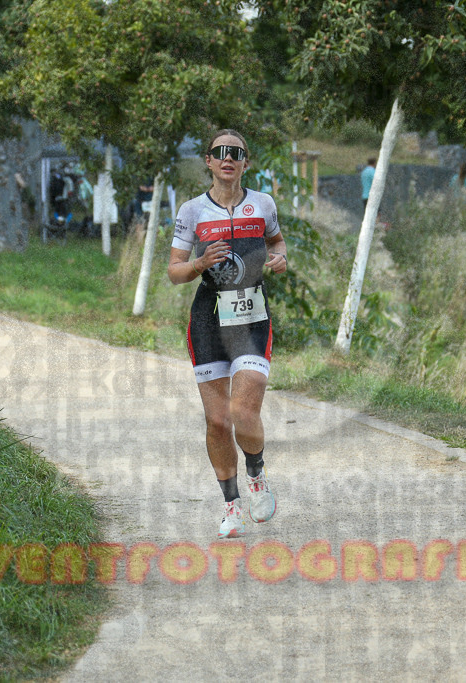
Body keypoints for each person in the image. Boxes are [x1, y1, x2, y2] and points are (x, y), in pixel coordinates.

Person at [167, 129, 288, 538]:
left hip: (252, 315)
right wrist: (200, 263)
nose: (227, 158)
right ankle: (231, 504)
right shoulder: (192, 211)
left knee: (243, 411)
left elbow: (277, 241)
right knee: (218, 421)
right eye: (220, 152)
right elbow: (174, 272)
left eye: (235, 153)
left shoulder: (263, 204)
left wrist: (280, 258)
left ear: (245, 163)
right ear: (208, 160)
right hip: (209, 318)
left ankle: (257, 475)